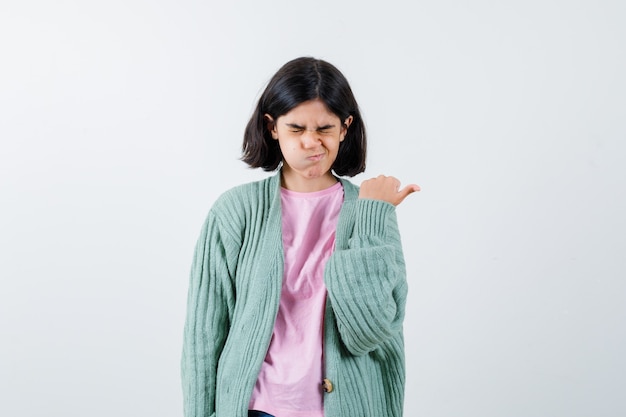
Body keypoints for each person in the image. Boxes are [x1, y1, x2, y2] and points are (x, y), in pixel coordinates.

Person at [181, 57, 420, 417]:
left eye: (325, 128)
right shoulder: (235, 212)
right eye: (296, 129)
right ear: (272, 127)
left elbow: (370, 332)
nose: (312, 143)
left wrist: (371, 219)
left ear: (345, 128)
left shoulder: (369, 212)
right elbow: (203, 337)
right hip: (255, 409)